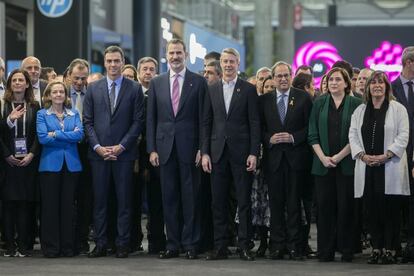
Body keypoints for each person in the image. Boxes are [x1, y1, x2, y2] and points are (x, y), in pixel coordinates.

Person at [146, 39, 207, 259]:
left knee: (190, 198)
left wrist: (202, 148)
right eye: (171, 53)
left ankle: (190, 244)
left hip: (190, 150)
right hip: (164, 149)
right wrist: (151, 149)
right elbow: (151, 119)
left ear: (186, 54)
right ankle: (172, 244)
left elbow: (203, 119)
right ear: (166, 55)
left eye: (179, 53)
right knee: (168, 198)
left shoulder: (198, 82)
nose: (175, 57)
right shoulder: (157, 82)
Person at [84, 45, 144, 259]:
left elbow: (138, 122)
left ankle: (122, 244)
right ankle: (100, 244)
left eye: (116, 61)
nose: (112, 65)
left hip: (124, 155)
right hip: (98, 155)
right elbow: (88, 122)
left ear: (122, 61)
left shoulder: (135, 88)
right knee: (99, 202)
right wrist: (98, 147)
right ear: (105, 63)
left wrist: (121, 146)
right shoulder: (93, 88)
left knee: (124, 202)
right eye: (109, 61)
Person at [202, 48, 260, 261]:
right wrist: (205, 152)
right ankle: (220, 247)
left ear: (238, 63)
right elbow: (206, 123)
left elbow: (255, 123)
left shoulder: (248, 89)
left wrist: (254, 153)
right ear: (221, 64)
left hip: (242, 153)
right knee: (218, 202)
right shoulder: (212, 88)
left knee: (243, 202)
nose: (227, 65)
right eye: (225, 61)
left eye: (231, 62)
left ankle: (244, 246)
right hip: (217, 154)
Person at [349, 71, 410, 264]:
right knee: (372, 209)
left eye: (380, 82)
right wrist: (363, 155)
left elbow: (404, 136)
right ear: (367, 88)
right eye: (373, 83)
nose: (376, 86)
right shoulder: (359, 111)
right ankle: (376, 248)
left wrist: (386, 155)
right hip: (368, 167)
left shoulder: (398, 109)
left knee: (390, 210)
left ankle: (390, 249)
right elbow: (353, 136)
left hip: (389, 165)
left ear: (386, 86)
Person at [308, 67, 362, 262]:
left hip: (347, 164)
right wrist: (323, 157)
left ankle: (347, 250)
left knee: (346, 208)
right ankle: (325, 251)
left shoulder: (356, 103)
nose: (333, 83)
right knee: (324, 208)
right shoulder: (319, 103)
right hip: (322, 165)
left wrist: (338, 157)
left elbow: (357, 136)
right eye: (331, 80)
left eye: (338, 80)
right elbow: (312, 133)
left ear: (346, 83)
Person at [260, 61, 313, 260]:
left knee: (293, 205)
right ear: (273, 79)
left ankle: (294, 246)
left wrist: (294, 137)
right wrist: (268, 139)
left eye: (286, 75)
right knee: (275, 204)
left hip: (296, 160)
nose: (282, 79)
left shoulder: (303, 98)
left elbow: (310, 128)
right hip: (273, 160)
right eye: (279, 76)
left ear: (291, 76)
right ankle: (277, 245)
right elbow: (259, 128)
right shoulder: (264, 100)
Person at [37, 81, 83, 257]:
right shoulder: (42, 114)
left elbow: (79, 135)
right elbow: (42, 138)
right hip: (49, 166)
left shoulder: (74, 113)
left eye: (61, 92)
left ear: (66, 95)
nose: (58, 95)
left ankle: (67, 247)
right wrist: (68, 136)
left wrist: (55, 134)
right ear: (49, 95)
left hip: (71, 165)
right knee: (50, 207)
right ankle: (51, 248)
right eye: (54, 92)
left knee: (68, 207)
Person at [0, 69, 40, 257]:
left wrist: (32, 154)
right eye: (14, 80)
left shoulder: (34, 106)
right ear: (9, 84)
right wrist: (9, 120)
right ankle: (9, 246)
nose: (17, 83)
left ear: (27, 84)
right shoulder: (2, 105)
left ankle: (23, 246)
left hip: (27, 162)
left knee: (24, 204)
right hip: (7, 161)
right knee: (8, 204)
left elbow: (38, 135)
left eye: (21, 80)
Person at [136, 56, 166, 254]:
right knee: (132, 201)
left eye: (151, 69)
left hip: (156, 153)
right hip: (132, 155)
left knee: (157, 201)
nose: (148, 72)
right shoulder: (131, 92)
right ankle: (132, 240)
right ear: (139, 72)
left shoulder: (161, 91)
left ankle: (157, 242)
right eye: (145, 69)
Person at [66, 58, 91, 255]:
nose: (80, 82)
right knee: (67, 198)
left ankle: (82, 241)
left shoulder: (92, 94)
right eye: (76, 78)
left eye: (83, 78)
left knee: (85, 198)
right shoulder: (59, 94)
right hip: (66, 150)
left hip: (88, 152)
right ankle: (67, 241)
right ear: (68, 76)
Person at [391, 46, 414, 262]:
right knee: (397, 202)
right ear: (409, 63)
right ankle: (396, 244)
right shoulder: (391, 88)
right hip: (396, 155)